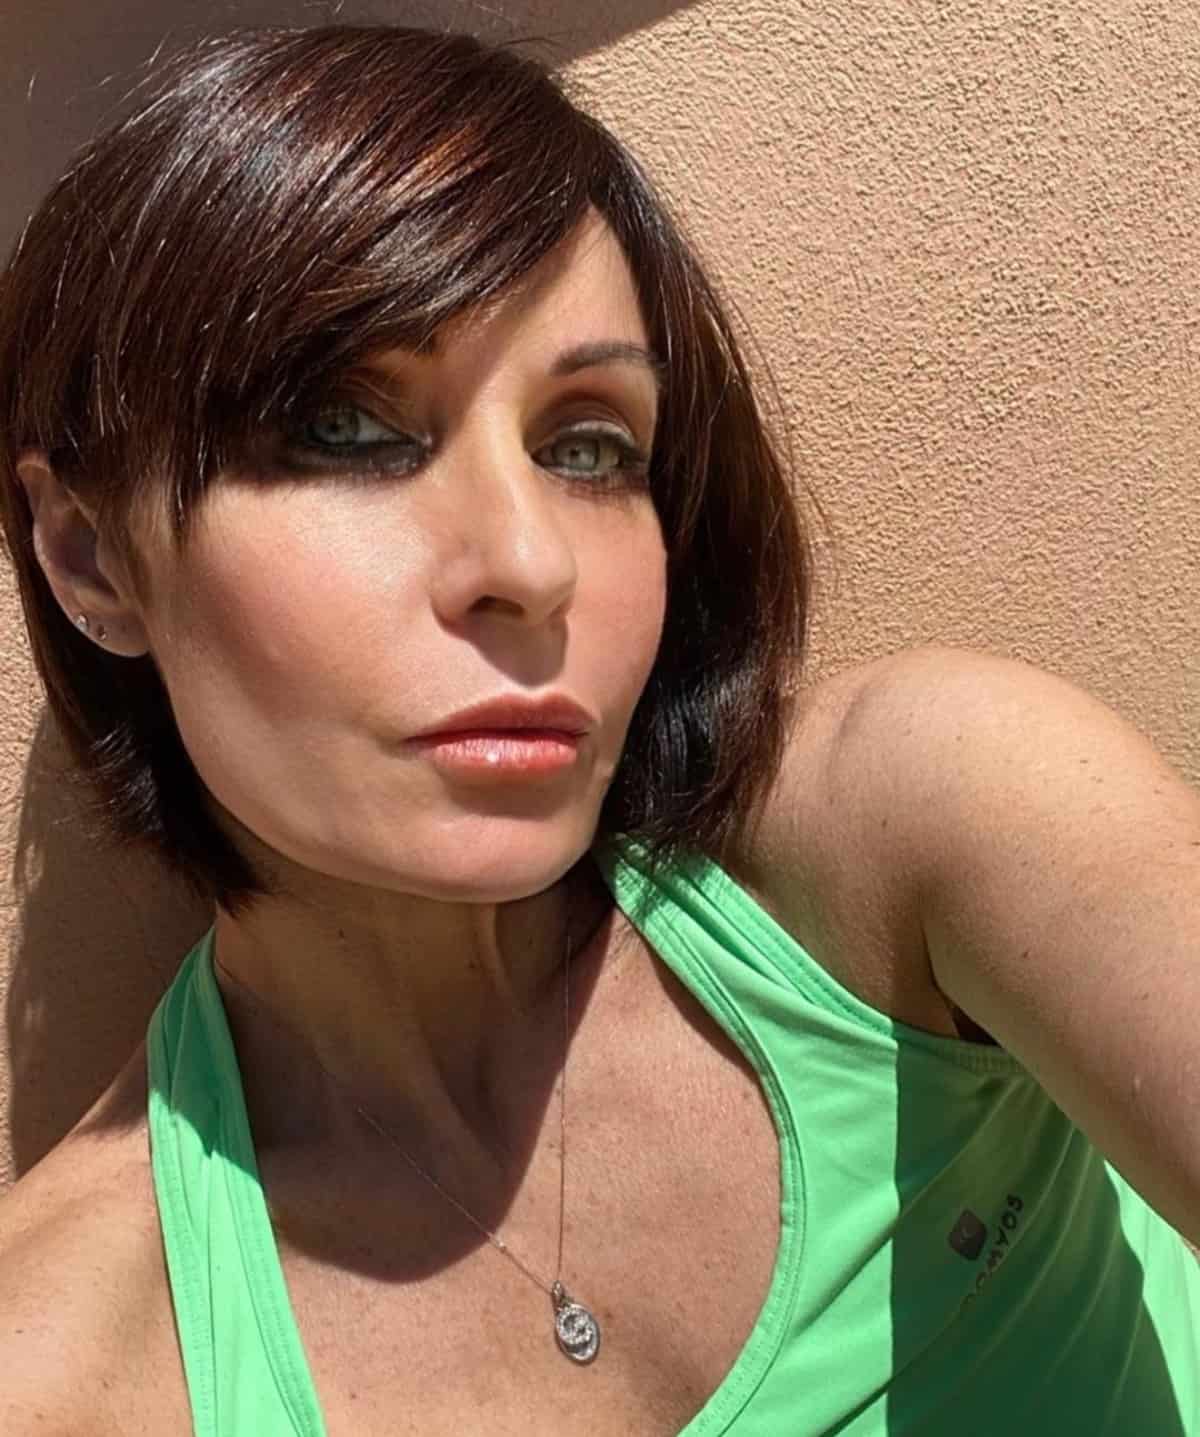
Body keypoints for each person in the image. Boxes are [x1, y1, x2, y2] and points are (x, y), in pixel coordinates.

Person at [0, 21, 1196, 1436]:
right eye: (344, 429)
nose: (531, 561)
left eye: (588, 446)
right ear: (91, 557)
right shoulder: (68, 1362)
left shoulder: (911, 835)